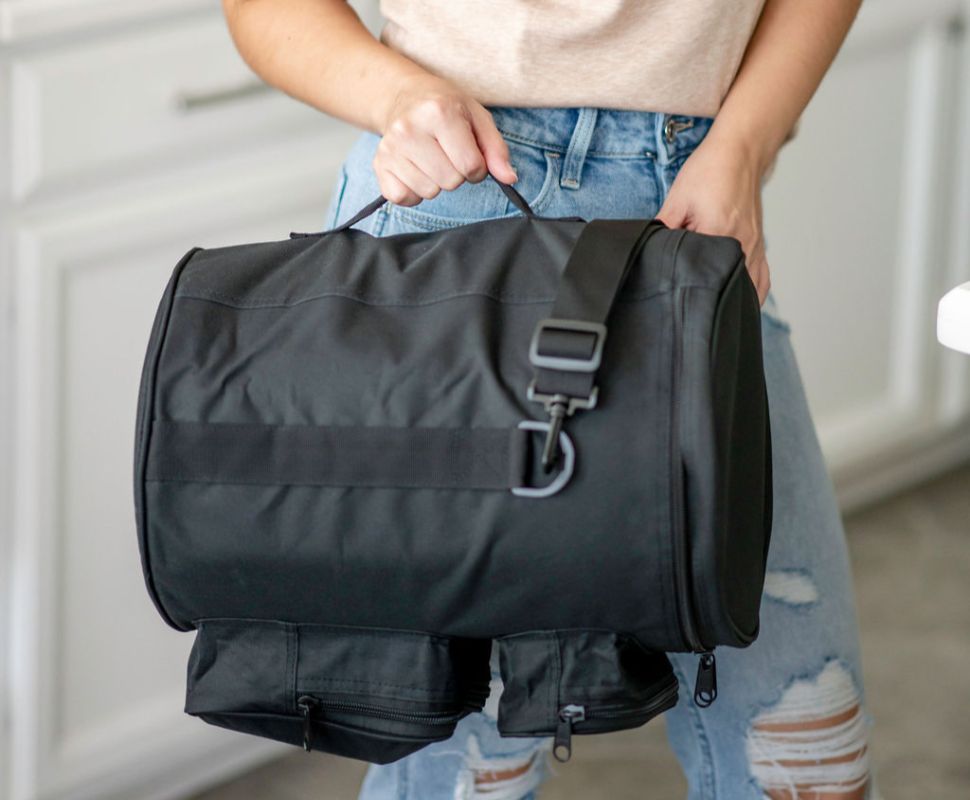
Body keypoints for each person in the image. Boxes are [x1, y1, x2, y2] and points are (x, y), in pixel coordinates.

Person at [221, 1, 881, 797]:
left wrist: (744, 145)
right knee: (465, 769)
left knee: (809, 747)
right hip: (453, 196)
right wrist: (398, 97)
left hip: (690, 209)